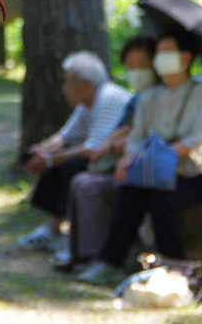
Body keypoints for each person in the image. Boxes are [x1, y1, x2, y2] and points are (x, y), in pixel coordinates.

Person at [77, 30, 202, 285]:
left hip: (189, 175)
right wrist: (127, 160)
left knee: (160, 195)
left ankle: (174, 268)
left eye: (166, 53)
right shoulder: (150, 97)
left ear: (185, 58)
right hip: (150, 171)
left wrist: (162, 156)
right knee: (130, 189)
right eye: (159, 54)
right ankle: (110, 262)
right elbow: (136, 136)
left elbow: (201, 135)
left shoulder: (201, 92)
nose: (159, 59)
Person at [54, 36, 157, 271]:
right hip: (125, 164)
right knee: (79, 179)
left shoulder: (153, 96)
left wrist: (117, 144)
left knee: (86, 182)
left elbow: (138, 135)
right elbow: (121, 132)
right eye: (131, 67)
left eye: (141, 65)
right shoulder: (138, 97)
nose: (136, 72)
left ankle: (105, 257)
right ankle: (83, 253)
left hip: (145, 170)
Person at [17, 51, 133, 251]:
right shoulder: (87, 103)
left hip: (117, 162)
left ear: (86, 84)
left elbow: (93, 148)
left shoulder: (108, 97)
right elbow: (65, 136)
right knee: (59, 162)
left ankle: (66, 235)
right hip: (103, 159)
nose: (64, 89)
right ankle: (52, 230)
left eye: (68, 82)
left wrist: (50, 159)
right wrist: (43, 150)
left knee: (69, 164)